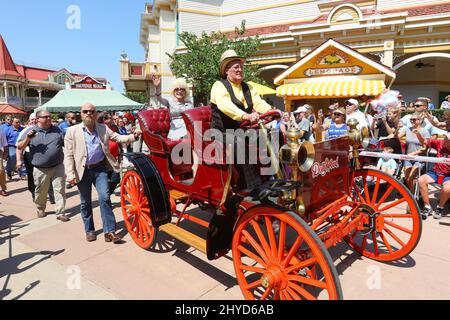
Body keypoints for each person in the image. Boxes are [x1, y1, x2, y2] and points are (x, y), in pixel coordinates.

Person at [64, 103, 142, 243]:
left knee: (105, 198)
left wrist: (133, 136)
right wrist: (70, 174)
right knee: (85, 202)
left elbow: (118, 137)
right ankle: (90, 230)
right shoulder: (72, 131)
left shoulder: (103, 128)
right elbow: (68, 155)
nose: (89, 113)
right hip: (82, 171)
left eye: (92, 111)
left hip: (100, 169)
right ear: (81, 114)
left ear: (96, 114)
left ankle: (109, 231)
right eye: (85, 111)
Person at [210, 49, 281, 191]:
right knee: (238, 141)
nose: (240, 69)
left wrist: (272, 111)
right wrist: (245, 116)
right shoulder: (219, 86)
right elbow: (225, 105)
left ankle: (273, 175)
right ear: (226, 70)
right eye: (236, 67)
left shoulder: (248, 87)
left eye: (241, 66)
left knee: (274, 135)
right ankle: (253, 186)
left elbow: (258, 103)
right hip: (221, 132)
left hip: (241, 129)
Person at [17, 111, 68, 221]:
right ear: (38, 118)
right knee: (41, 191)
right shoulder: (30, 131)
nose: (49, 118)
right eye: (46, 117)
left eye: (50, 116)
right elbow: (19, 147)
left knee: (60, 189)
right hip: (40, 168)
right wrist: (28, 139)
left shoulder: (57, 130)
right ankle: (40, 209)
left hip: (57, 165)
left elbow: (66, 143)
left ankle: (60, 212)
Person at [416, 132, 450, 220]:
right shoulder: (440, 143)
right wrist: (419, 135)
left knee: (447, 188)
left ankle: (440, 207)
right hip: (435, 172)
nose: (444, 140)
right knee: (421, 180)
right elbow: (424, 141)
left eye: (447, 139)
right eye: (445, 138)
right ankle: (427, 206)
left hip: (448, 175)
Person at [151, 75, 194, 140]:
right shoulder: (170, 101)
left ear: (185, 91)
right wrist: (157, 87)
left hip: (189, 129)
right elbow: (159, 98)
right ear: (173, 91)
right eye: (176, 89)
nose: (179, 91)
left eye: (182, 89)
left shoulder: (189, 103)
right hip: (176, 130)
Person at [397, 112, 430, 192]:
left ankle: (413, 194)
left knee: (411, 177)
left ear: (420, 120)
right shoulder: (407, 129)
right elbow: (396, 137)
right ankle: (412, 193)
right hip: (408, 157)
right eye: (411, 119)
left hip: (419, 158)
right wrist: (397, 129)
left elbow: (425, 147)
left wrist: (414, 153)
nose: (412, 121)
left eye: (414, 119)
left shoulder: (425, 131)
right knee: (407, 178)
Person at [0, 127, 8, 196]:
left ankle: (3, 188)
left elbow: (4, 141)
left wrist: (6, 152)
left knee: (1, 170)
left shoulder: (1, 129)